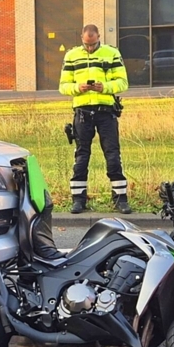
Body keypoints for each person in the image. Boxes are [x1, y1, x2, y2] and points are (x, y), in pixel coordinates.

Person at [59, 24, 131, 214]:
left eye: (93, 44)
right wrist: (78, 88)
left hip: (105, 111)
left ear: (99, 36)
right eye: (86, 44)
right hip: (82, 112)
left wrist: (104, 87)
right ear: (82, 38)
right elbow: (63, 86)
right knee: (81, 156)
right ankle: (78, 200)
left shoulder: (111, 53)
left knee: (113, 155)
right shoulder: (72, 56)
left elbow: (123, 82)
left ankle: (120, 199)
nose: (90, 48)